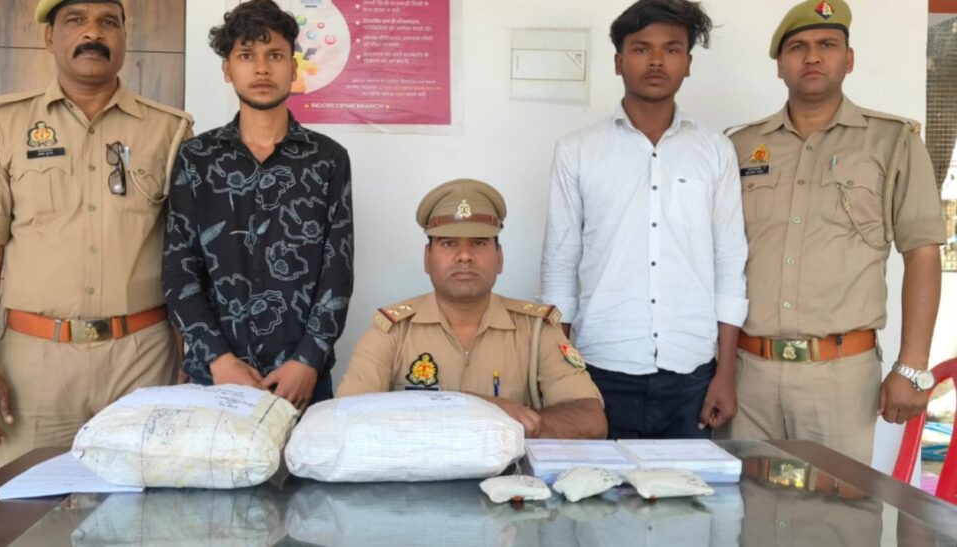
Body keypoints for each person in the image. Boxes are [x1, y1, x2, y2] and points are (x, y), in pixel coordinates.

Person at [0, 0, 193, 464]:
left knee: (144, 503)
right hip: (36, 365)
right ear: (50, 37)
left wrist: (193, 357)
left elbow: (189, 256)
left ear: (124, 37)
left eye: (108, 22)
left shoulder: (169, 131)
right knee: (33, 505)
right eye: (76, 20)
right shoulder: (3, 125)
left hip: (144, 359)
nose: (93, 33)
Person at [722, 0, 944, 464]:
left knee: (835, 507)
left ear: (849, 59)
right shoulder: (739, 146)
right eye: (797, 47)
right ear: (779, 65)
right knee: (743, 507)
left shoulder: (892, 142)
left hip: (841, 377)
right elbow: (717, 258)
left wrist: (912, 367)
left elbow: (922, 252)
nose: (812, 56)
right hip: (747, 375)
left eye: (827, 45)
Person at [540, 0, 748, 440]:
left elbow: (730, 264)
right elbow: (560, 265)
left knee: (687, 488)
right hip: (599, 367)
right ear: (619, 61)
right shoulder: (578, 151)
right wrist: (559, 374)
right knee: (597, 485)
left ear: (688, 63)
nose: (656, 61)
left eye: (671, 49)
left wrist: (725, 373)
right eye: (641, 48)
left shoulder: (715, 151)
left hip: (692, 372)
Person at [163, 0, 353, 411]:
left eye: (275, 55)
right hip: (215, 375)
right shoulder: (197, 158)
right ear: (227, 68)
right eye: (247, 55)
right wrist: (218, 359)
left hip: (302, 379)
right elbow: (180, 270)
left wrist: (308, 360)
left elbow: (337, 270)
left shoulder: (327, 159)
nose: (262, 69)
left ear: (294, 68)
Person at [338, 179, 607, 440]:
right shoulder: (392, 331)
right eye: (448, 243)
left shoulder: (537, 330)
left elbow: (591, 420)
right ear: (427, 258)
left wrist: (527, 424)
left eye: (479, 243)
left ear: (499, 258)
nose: (465, 256)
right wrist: (478, 409)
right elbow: (345, 419)